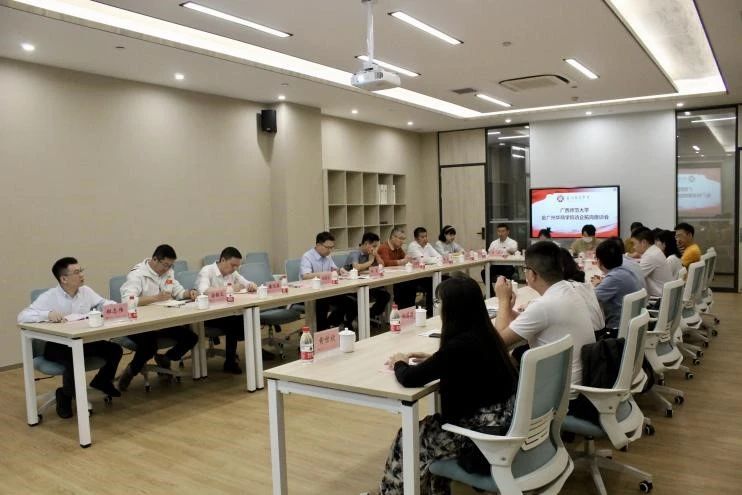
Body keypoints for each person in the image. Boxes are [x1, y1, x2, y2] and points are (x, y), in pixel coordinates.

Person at [379, 276, 518, 495]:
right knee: (424, 430)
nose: (438, 307)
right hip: (502, 424)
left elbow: (410, 379)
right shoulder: (485, 333)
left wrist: (399, 362)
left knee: (408, 438)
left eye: (439, 302)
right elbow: (461, 362)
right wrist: (435, 360)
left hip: (478, 436)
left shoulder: (459, 346)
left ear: (453, 308)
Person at [18, 257, 123, 418]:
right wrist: (47, 314)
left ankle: (102, 381)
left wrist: (112, 307)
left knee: (114, 350)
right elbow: (22, 316)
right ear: (64, 279)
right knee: (73, 359)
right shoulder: (50, 296)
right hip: (57, 346)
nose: (81, 275)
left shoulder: (85, 291)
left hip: (83, 341)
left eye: (81, 271)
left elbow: (102, 303)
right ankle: (65, 395)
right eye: (76, 272)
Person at [493, 241, 596, 397]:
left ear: (532, 274)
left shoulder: (543, 306)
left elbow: (497, 343)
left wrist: (502, 301)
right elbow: (535, 322)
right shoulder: (569, 289)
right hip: (579, 386)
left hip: (557, 396)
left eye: (525, 269)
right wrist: (507, 308)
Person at [117, 244, 199, 391]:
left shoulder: (168, 272)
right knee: (149, 345)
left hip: (162, 321)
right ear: (155, 259)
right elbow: (127, 301)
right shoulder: (137, 275)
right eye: (165, 265)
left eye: (170, 265)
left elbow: (178, 291)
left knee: (191, 337)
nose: (168, 269)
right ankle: (130, 371)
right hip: (139, 325)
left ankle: (165, 358)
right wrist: (155, 298)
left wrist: (190, 293)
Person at [196, 246, 258, 373]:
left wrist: (251, 285)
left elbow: (246, 283)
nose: (235, 268)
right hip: (208, 315)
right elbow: (204, 291)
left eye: (237, 266)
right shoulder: (207, 271)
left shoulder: (232, 272)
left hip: (226, 312)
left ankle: (256, 353)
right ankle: (230, 362)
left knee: (249, 318)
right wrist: (229, 289)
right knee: (235, 323)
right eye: (233, 265)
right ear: (223, 260)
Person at [300, 232, 356, 330]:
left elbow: (334, 270)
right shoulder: (307, 256)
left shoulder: (327, 256)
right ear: (318, 245)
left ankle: (331, 324)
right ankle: (321, 331)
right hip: (310, 294)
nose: (330, 250)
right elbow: (306, 276)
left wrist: (340, 270)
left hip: (327, 291)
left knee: (350, 302)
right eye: (327, 247)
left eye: (332, 248)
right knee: (322, 302)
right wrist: (326, 274)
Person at [591, 239, 643, 338]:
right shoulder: (625, 271)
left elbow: (591, 299)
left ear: (599, 261)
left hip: (616, 332)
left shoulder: (614, 278)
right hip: (631, 329)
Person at [378, 227, 433, 315]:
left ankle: (410, 313)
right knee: (406, 287)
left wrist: (409, 260)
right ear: (393, 237)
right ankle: (404, 314)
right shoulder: (384, 247)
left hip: (397, 277)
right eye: (400, 239)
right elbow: (385, 263)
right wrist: (401, 262)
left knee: (411, 284)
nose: (402, 241)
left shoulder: (398, 248)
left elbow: (405, 259)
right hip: (386, 279)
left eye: (403, 239)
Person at [344, 232, 391, 322]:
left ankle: (369, 315)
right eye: (374, 246)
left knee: (385, 296)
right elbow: (356, 267)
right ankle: (349, 322)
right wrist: (370, 262)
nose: (376, 248)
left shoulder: (372, 254)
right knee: (355, 301)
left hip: (369, 286)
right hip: (353, 288)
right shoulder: (354, 254)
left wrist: (376, 255)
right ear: (366, 244)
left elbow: (382, 266)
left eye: (377, 246)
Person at [630, 227, 673, 297]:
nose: (633, 247)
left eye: (634, 243)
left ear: (643, 242)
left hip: (659, 299)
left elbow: (633, 279)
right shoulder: (654, 250)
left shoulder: (650, 256)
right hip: (665, 296)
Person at [481, 223, 518, 293]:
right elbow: (489, 253)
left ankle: (506, 293)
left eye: (503, 231)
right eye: (499, 231)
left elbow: (513, 250)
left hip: (508, 265)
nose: (500, 233)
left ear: (508, 232)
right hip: (496, 265)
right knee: (484, 272)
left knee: (507, 272)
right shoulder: (494, 243)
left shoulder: (512, 242)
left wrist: (503, 250)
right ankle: (491, 293)